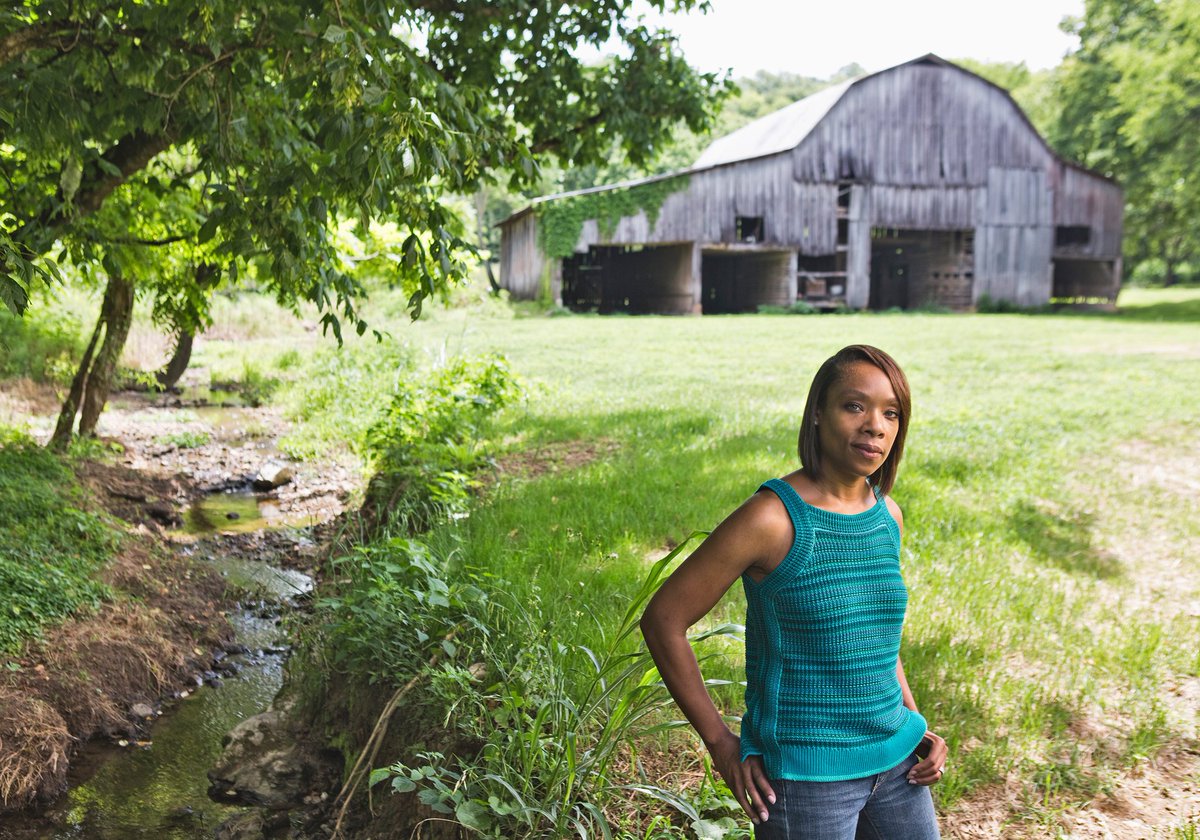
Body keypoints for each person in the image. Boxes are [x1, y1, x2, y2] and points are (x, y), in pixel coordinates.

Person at [640, 344, 947, 839]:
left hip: (899, 764)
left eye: (891, 413)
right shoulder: (772, 518)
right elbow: (663, 620)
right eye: (855, 406)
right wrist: (721, 743)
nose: (876, 425)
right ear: (818, 415)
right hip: (806, 780)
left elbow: (874, 640)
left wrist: (914, 721)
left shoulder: (888, 516)